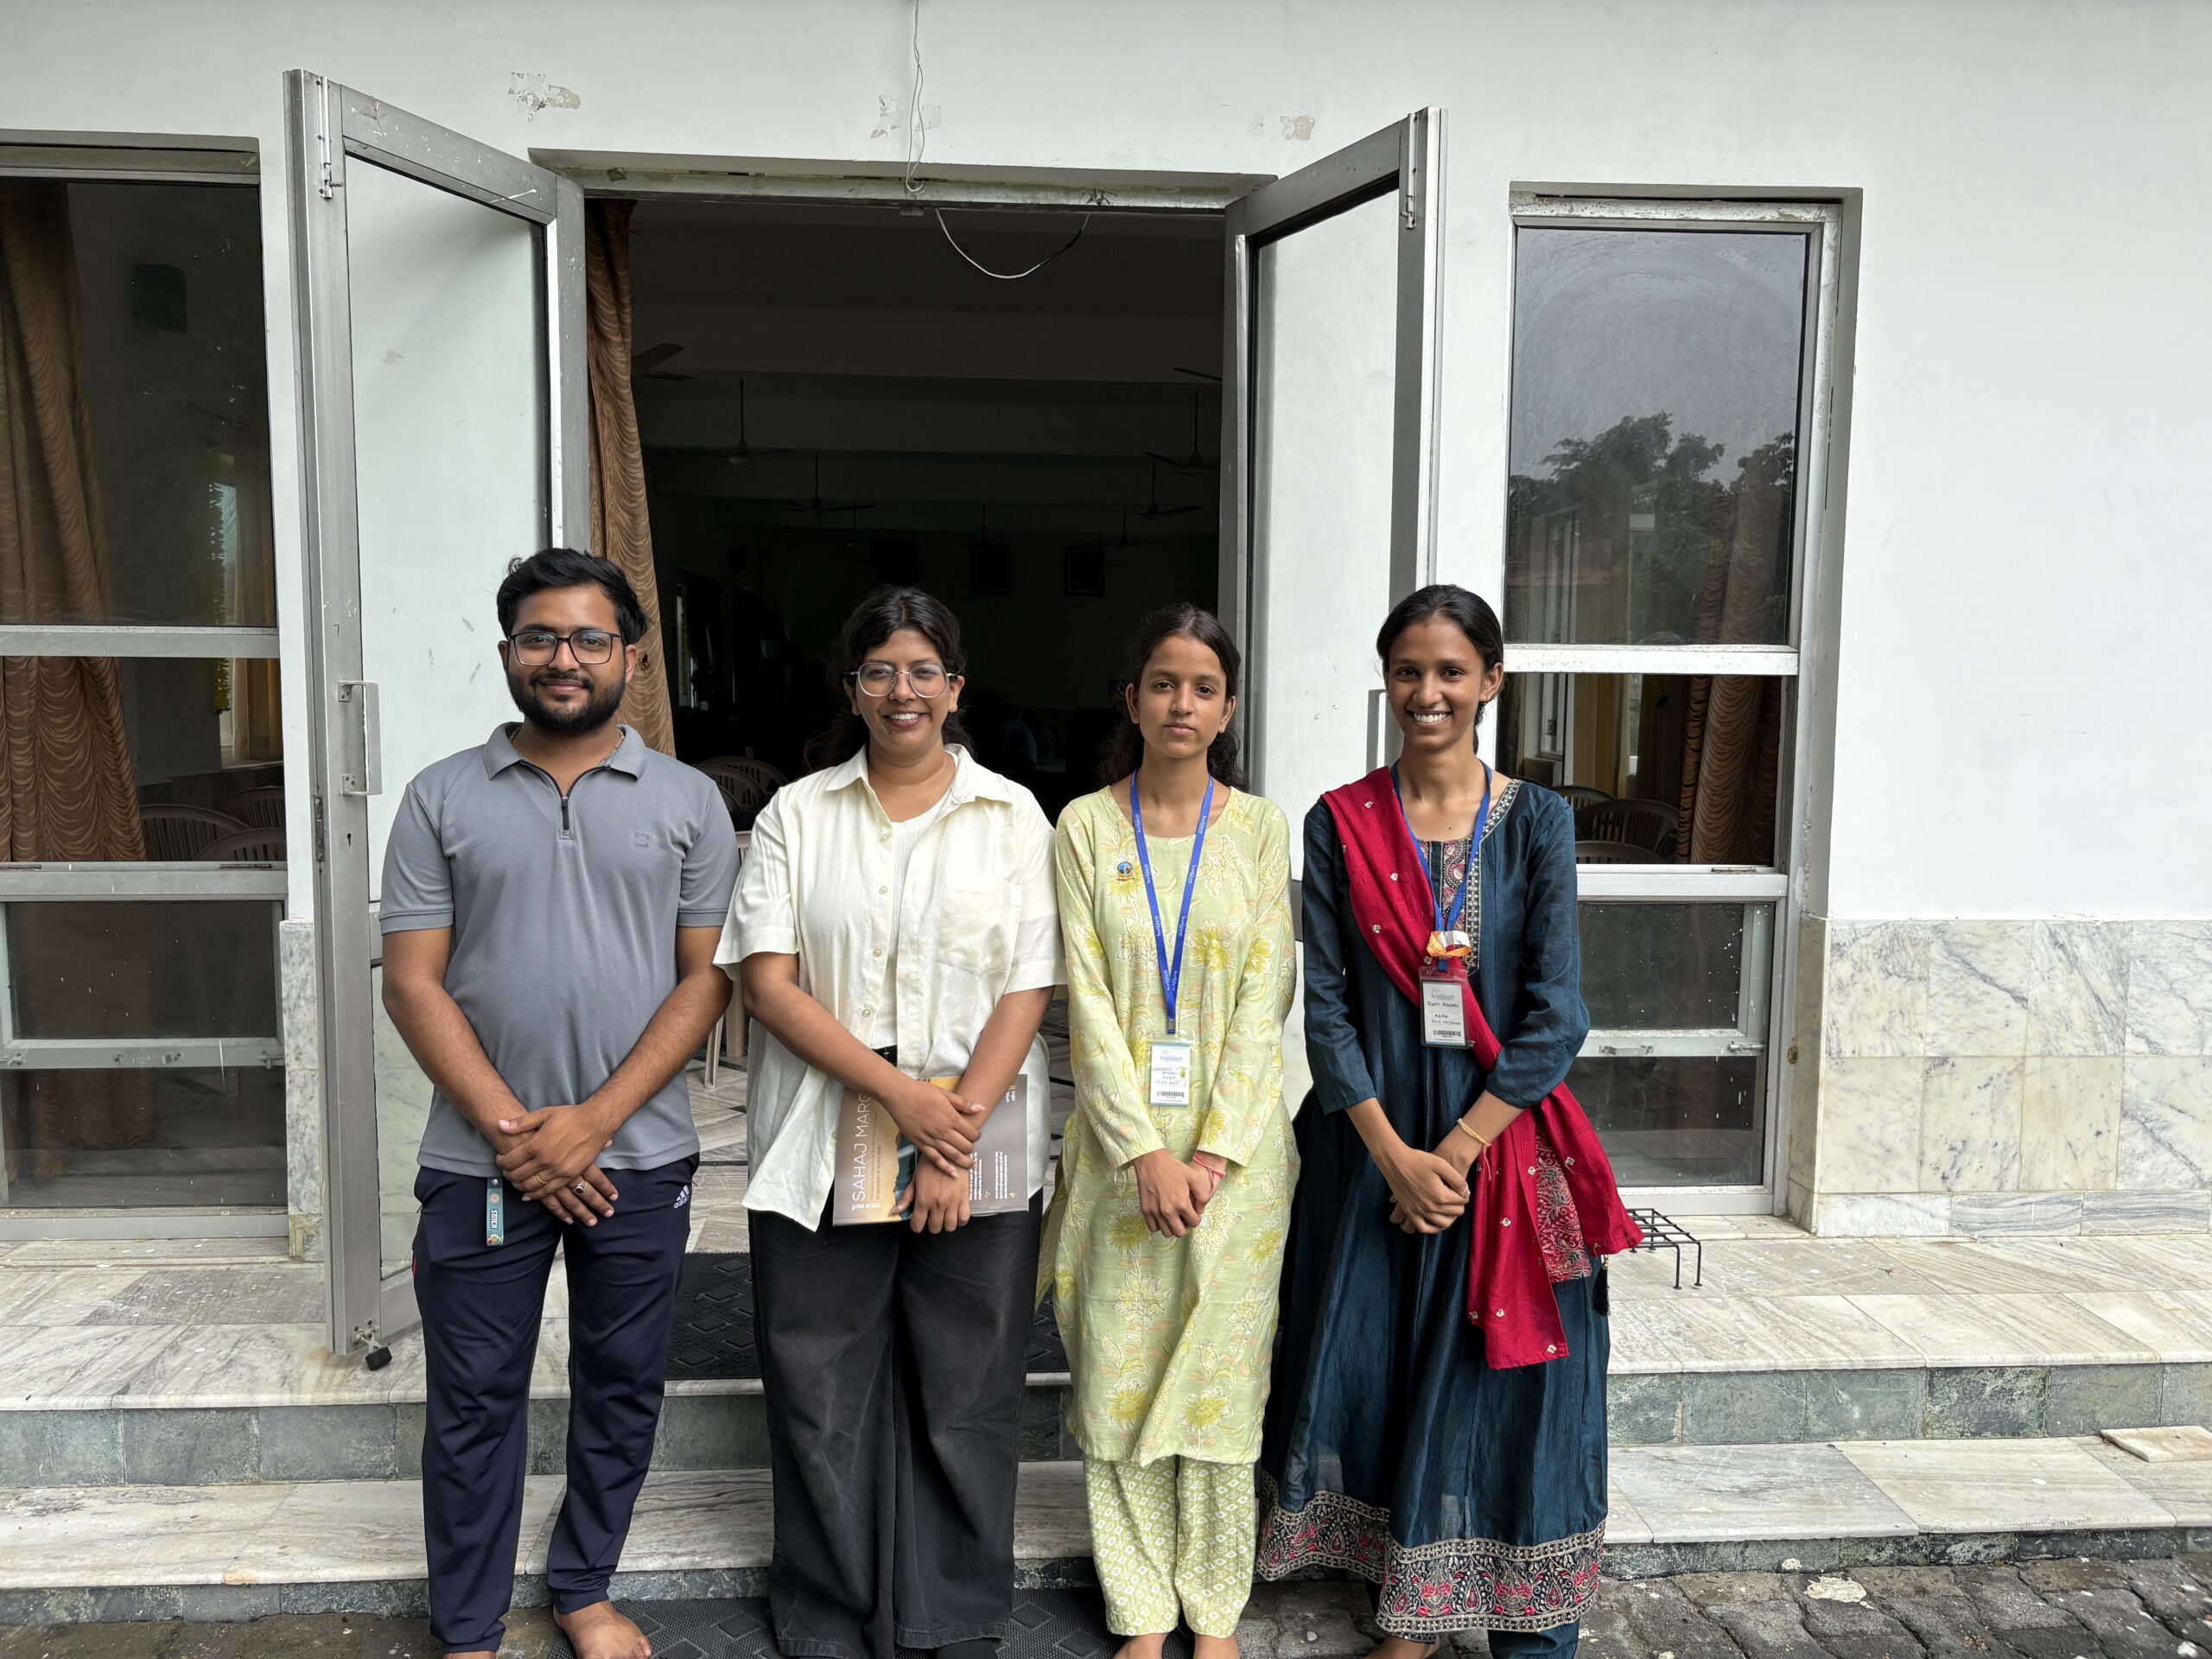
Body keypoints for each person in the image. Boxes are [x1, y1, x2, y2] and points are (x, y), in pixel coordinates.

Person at [1255, 584, 1643, 1658]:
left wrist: (1458, 1151)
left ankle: (1514, 1610)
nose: (1427, 692)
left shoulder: (1538, 823)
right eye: (1408, 671)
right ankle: (1412, 1607)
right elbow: (1326, 1010)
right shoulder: (1341, 819)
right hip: (1369, 1142)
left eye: (1450, 672)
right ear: (1387, 681)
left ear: (1491, 682)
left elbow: (1557, 1014)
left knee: (1506, 1377)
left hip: (1501, 1142)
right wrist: (1393, 1157)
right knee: (1380, 1364)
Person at [380, 548, 741, 1659]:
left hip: (638, 1156)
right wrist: (518, 1132)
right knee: (474, 1398)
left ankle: (583, 1587)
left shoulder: (689, 801)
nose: (564, 658)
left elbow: (706, 981)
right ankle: (469, 1628)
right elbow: (413, 982)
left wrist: (591, 1123)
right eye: (540, 637)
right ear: (507, 653)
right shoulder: (441, 794)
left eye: (590, 638)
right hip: (479, 1164)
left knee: (621, 1386)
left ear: (632, 656)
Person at [721, 586, 1060, 1659]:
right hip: (822, 1133)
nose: (901, 690)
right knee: (820, 1386)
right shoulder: (798, 814)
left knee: (968, 1387)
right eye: (880, 671)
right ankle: (831, 1615)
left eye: (922, 671)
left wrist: (949, 1135)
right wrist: (902, 1098)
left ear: (955, 689)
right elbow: (768, 984)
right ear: (852, 688)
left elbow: (1029, 985)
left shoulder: (1013, 817)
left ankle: (951, 1614)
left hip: (980, 1134)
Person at [1043, 604, 1295, 1659]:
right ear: (1132, 698)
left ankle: (1215, 1610)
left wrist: (1212, 1155)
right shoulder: (1082, 829)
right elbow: (1084, 1001)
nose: (1180, 704)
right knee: (1117, 1370)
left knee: (1221, 1381)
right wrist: (1143, 1152)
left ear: (1226, 709)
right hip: (1119, 1159)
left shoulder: (1261, 829)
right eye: (1162, 683)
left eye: (1202, 687)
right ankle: (1142, 1611)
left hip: (1238, 1163)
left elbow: (1265, 997)